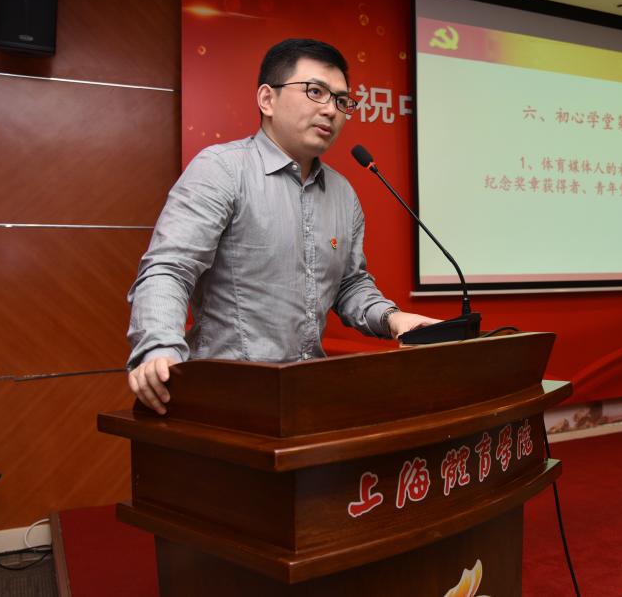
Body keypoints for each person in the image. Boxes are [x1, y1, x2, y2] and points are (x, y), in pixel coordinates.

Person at [126, 38, 438, 414]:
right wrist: (159, 347)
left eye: (341, 101)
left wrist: (393, 318)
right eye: (315, 92)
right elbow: (170, 269)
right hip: (226, 399)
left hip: (308, 398)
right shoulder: (221, 170)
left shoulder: (343, 193)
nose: (331, 110)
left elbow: (349, 285)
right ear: (267, 99)